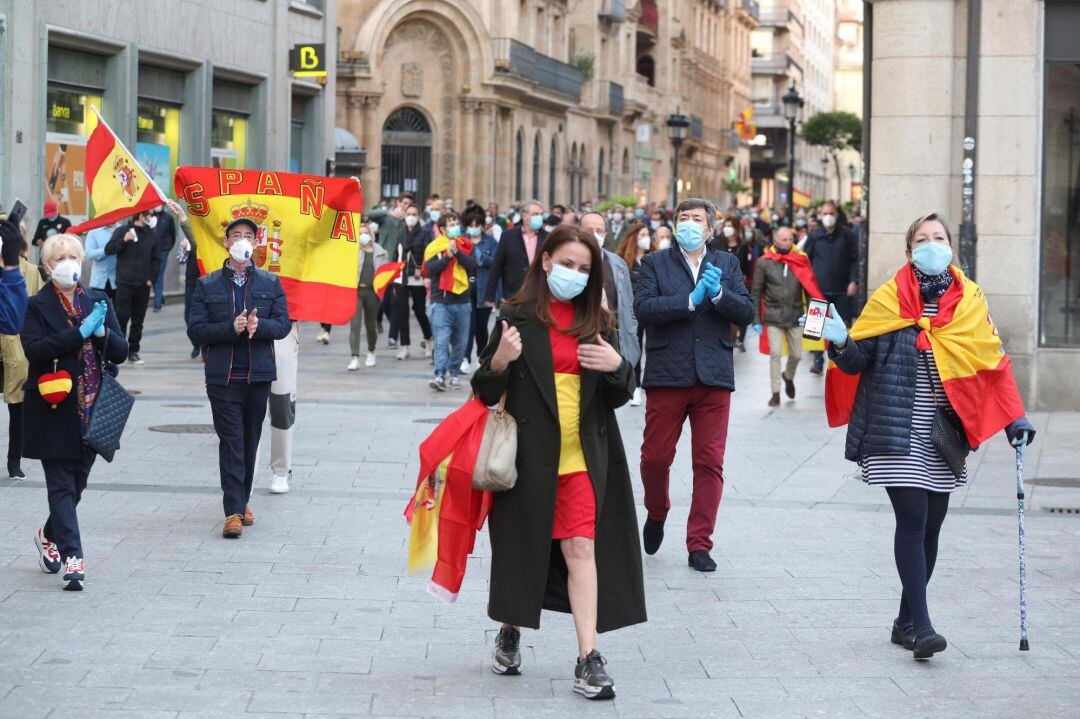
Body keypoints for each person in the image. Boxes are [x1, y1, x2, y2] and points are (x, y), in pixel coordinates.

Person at [822, 212, 1035, 660]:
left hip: (943, 432)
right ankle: (922, 627)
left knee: (932, 527)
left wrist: (1015, 419)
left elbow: (992, 364)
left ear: (951, 247)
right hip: (894, 426)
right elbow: (857, 362)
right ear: (909, 251)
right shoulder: (888, 299)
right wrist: (840, 341)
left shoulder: (970, 301)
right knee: (913, 519)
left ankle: (904, 621)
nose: (932, 244)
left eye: (939, 237)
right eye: (922, 238)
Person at [472, 224, 645, 700]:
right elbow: (484, 389)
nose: (575, 274)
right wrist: (500, 361)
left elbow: (619, 393)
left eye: (585, 269)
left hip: (583, 457)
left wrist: (618, 368)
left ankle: (588, 657)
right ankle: (510, 628)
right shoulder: (515, 316)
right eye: (567, 264)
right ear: (545, 261)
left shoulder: (597, 321)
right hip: (527, 459)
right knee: (524, 548)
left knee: (581, 548)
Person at [633, 198, 754, 572]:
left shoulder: (727, 263)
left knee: (709, 462)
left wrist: (718, 295)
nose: (689, 223)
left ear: (710, 228)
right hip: (668, 372)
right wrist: (688, 300)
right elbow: (644, 309)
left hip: (713, 375)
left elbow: (747, 312)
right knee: (655, 458)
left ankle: (699, 543)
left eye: (696, 219)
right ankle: (657, 511)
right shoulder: (654, 263)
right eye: (683, 218)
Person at [23, 234, 127, 590]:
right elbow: (35, 350)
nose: (67, 263)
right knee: (61, 486)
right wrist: (78, 333)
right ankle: (74, 558)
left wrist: (101, 332)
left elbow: (121, 351)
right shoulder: (36, 306)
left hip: (93, 408)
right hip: (53, 408)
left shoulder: (97, 300)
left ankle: (48, 534)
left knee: (77, 485)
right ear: (47, 265)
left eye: (73, 256)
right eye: (59, 258)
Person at [187, 217, 291, 538]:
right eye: (235, 235)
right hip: (223, 377)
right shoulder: (207, 285)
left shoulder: (270, 283)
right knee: (231, 441)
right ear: (226, 242)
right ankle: (233, 511)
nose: (241, 240)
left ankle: (242, 501)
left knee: (249, 441)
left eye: (247, 235)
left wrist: (262, 327)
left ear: (256, 244)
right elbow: (196, 330)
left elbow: (283, 323)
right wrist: (230, 328)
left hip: (258, 376)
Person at [750, 227, 815, 406]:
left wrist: (813, 316)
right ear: (775, 240)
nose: (787, 243)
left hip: (795, 314)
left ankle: (788, 376)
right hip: (773, 315)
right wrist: (756, 319)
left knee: (797, 355)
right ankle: (775, 392)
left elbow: (809, 289)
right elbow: (756, 292)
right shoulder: (764, 262)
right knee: (776, 354)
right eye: (784, 240)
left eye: (790, 240)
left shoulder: (800, 260)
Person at [579, 212, 640, 397]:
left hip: (612, 338)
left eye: (599, 231)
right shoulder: (571, 262)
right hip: (580, 336)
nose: (595, 235)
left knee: (609, 393)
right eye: (589, 230)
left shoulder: (617, 264)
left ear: (605, 234)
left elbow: (628, 304)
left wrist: (631, 334)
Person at [0, 215, 41, 479]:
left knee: (17, 406)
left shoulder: (31, 271)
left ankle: (14, 460)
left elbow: (32, 311)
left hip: (17, 348)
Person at [423, 211, 476, 391]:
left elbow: (472, 265)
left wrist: (457, 253)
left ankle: (454, 374)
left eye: (456, 223)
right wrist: (447, 256)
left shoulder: (466, 245)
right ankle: (439, 375)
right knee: (441, 340)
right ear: (443, 229)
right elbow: (431, 269)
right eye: (451, 224)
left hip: (462, 301)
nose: (455, 227)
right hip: (441, 301)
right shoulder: (434, 247)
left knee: (461, 343)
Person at [805, 201, 859, 373]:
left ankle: (837, 362)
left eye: (831, 213)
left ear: (837, 215)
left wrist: (854, 281)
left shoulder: (847, 234)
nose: (828, 216)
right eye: (825, 213)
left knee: (839, 327)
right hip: (818, 290)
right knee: (814, 327)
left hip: (841, 290)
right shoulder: (814, 235)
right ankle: (817, 360)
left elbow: (855, 260)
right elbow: (806, 260)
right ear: (820, 216)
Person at [105, 209, 161, 365]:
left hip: (143, 284)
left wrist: (152, 279)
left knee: (138, 319)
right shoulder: (123, 230)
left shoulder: (151, 234)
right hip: (125, 282)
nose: (151, 217)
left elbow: (157, 259)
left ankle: (134, 351)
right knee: (121, 317)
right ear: (140, 215)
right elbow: (109, 249)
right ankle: (119, 350)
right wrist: (124, 240)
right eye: (149, 214)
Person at [614, 222, 653, 405]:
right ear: (634, 238)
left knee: (652, 346)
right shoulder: (623, 260)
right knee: (634, 346)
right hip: (631, 311)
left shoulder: (654, 257)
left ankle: (649, 382)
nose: (646, 238)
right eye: (642, 235)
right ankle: (635, 386)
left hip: (651, 308)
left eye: (647, 234)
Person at [391, 203, 434, 360]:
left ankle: (428, 339)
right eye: (408, 214)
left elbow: (429, 256)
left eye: (414, 214)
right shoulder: (401, 233)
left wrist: (427, 276)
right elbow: (395, 255)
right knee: (402, 311)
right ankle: (405, 346)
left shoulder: (425, 234)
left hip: (418, 277)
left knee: (419, 310)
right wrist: (393, 277)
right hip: (401, 277)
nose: (410, 217)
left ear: (419, 216)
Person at [483, 200, 546, 307]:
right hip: (513, 294)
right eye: (535, 214)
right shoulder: (508, 236)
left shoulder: (547, 237)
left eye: (541, 215)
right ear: (524, 216)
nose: (539, 217)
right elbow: (497, 266)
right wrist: (489, 295)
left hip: (539, 295)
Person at [347, 224, 388, 370]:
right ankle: (355, 357)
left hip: (373, 293)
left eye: (365, 232)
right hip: (356, 292)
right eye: (360, 233)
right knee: (355, 325)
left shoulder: (381, 252)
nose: (363, 236)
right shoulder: (352, 251)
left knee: (371, 325)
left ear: (371, 234)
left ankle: (371, 351)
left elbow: (384, 273)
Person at [463, 207, 498, 371]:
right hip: (465, 289)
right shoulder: (461, 241)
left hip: (484, 289)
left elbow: (496, 263)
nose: (474, 228)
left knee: (481, 327)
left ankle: (482, 357)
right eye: (471, 225)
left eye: (477, 225)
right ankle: (465, 358)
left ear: (482, 225)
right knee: (468, 325)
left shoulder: (491, 242)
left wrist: (481, 257)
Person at [150, 204, 177, 312]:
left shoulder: (168, 218)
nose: (157, 206)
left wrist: (168, 247)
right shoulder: (149, 216)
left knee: (158, 275)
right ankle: (160, 297)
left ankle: (157, 305)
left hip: (163, 251)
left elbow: (173, 234)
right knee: (153, 275)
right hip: (150, 252)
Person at [84, 222, 117, 299]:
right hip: (99, 281)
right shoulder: (94, 231)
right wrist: (106, 250)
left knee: (119, 307)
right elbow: (89, 254)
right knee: (99, 306)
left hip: (119, 280)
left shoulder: (122, 229)